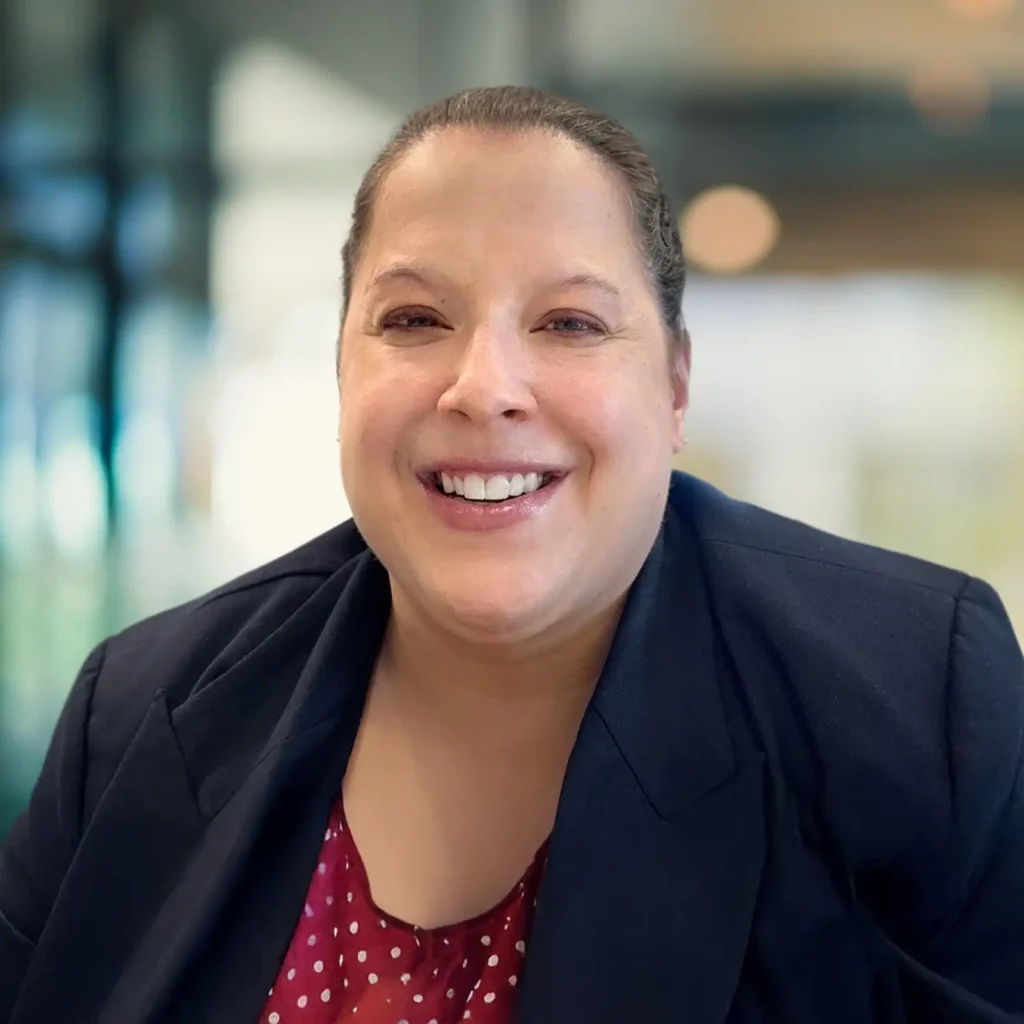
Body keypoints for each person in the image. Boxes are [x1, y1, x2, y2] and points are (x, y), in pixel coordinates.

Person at [1, 85, 1022, 1024]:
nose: (483, 385)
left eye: (570, 322)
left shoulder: (912, 706)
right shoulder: (135, 712)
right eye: (413, 319)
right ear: (342, 371)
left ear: (672, 387)